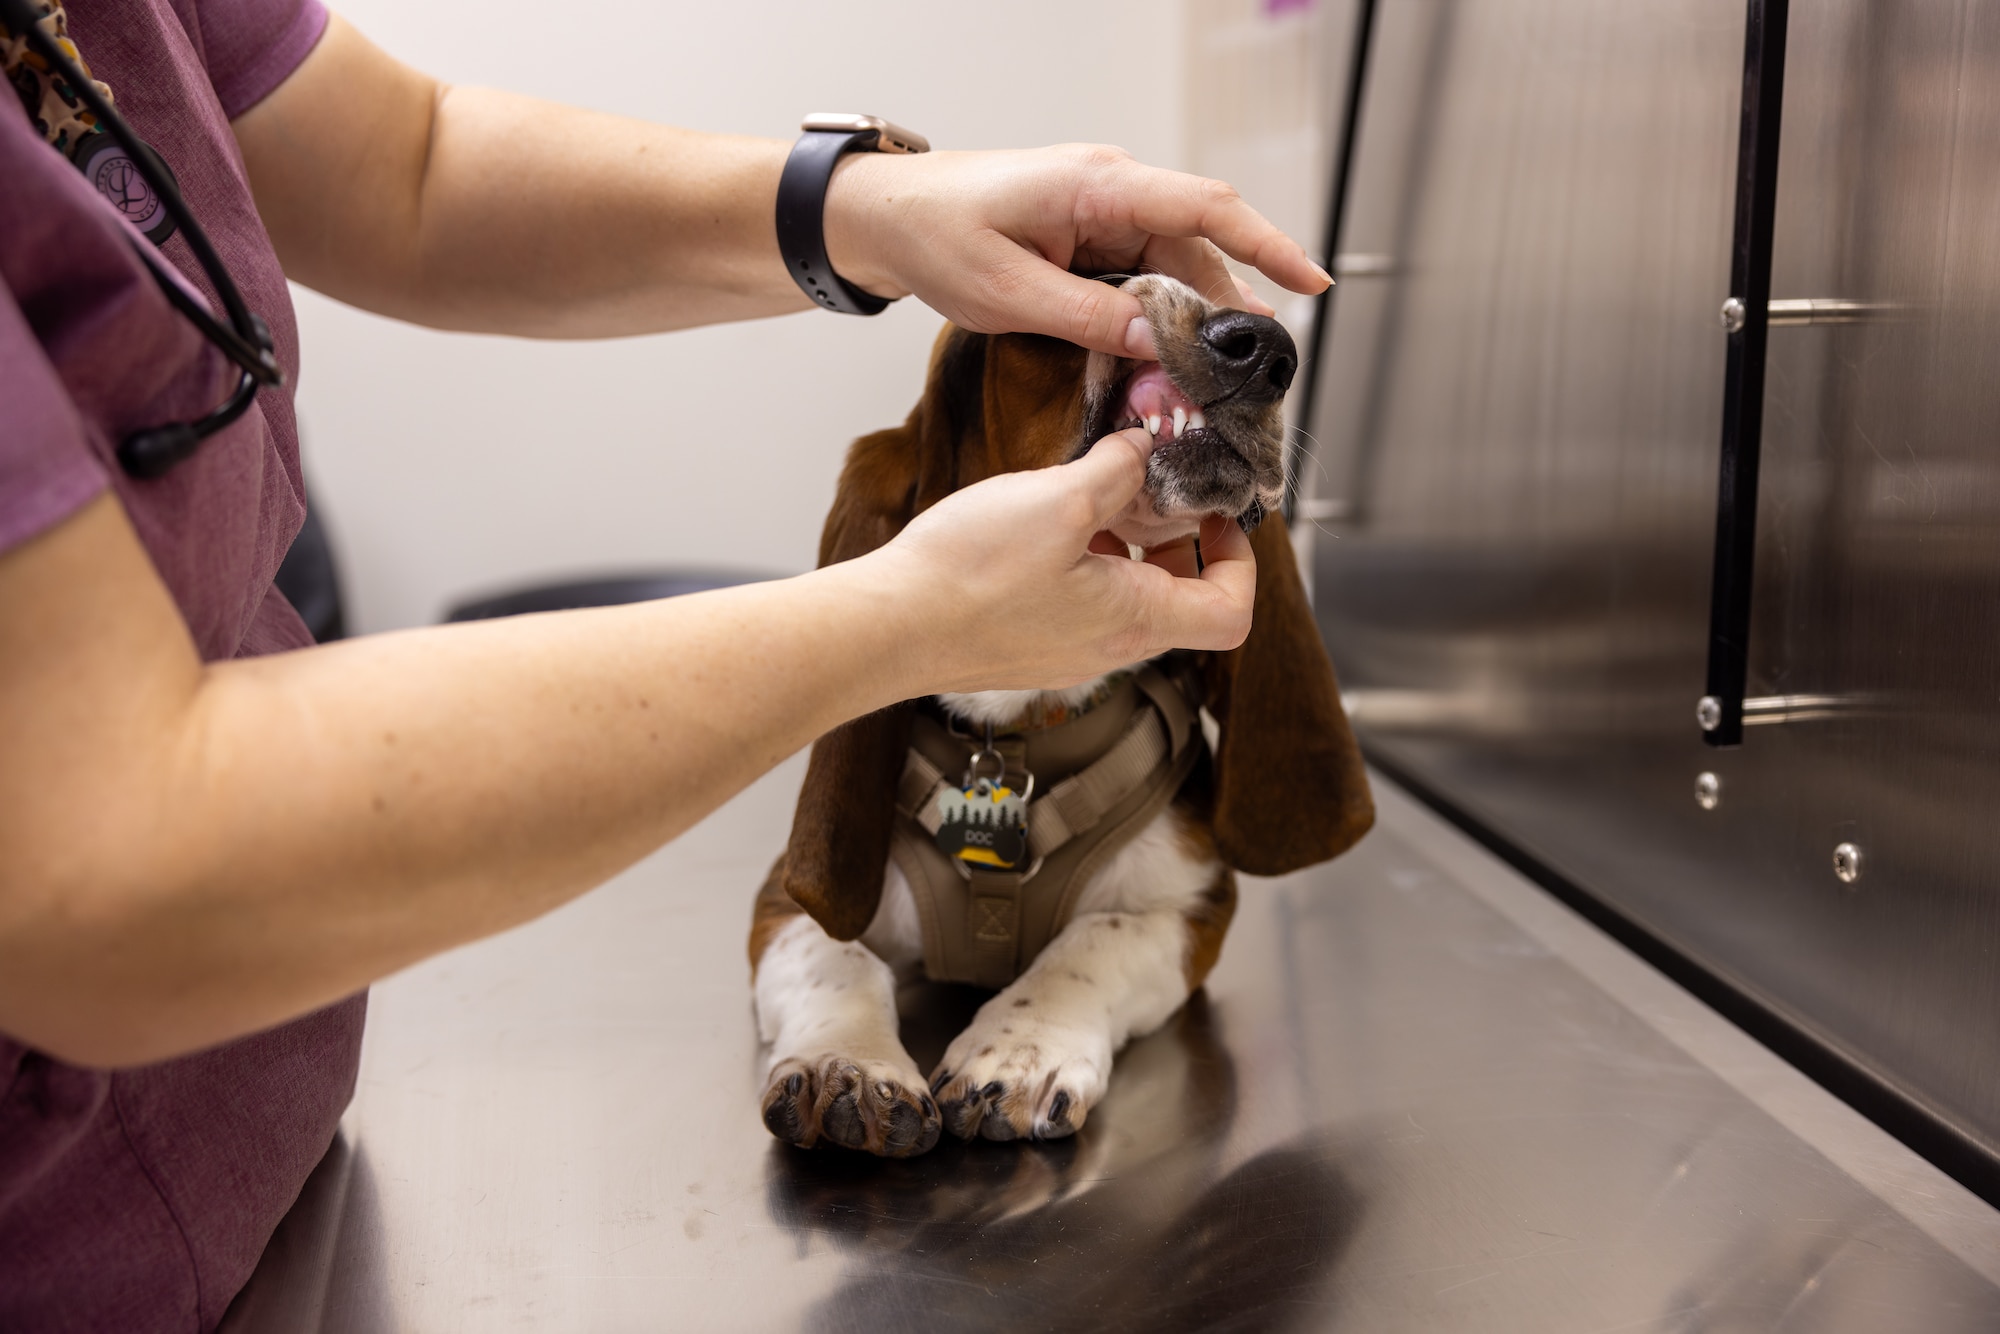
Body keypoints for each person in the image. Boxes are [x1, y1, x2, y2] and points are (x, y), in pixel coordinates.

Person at [0, 0, 1331, 1326]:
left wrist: (870, 204)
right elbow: (106, 859)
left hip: (292, 1184)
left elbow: (409, 162)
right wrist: (903, 621)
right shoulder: (896, 538)